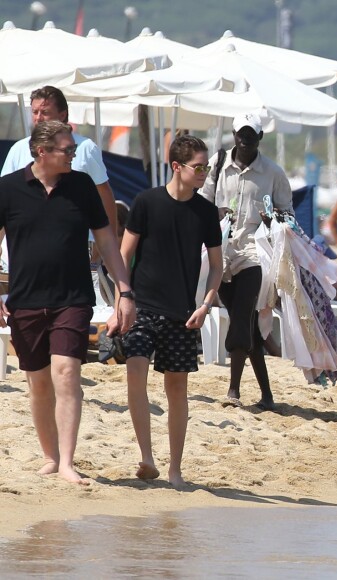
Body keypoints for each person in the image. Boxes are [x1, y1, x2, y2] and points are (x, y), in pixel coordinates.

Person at [0, 120, 135, 484]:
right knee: (38, 381)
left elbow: (107, 242)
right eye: (67, 150)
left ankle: (67, 463)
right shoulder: (8, 189)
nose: (73, 156)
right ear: (42, 151)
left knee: (67, 372)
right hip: (26, 299)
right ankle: (50, 455)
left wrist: (124, 291)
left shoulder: (81, 186)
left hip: (73, 298)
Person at [110, 136, 222, 488]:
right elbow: (122, 257)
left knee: (177, 389)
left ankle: (175, 468)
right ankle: (146, 457)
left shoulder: (205, 212)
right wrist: (121, 302)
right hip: (141, 305)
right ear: (177, 166)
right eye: (199, 167)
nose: (204, 173)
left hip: (183, 312)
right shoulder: (146, 202)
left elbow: (217, 267)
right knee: (135, 373)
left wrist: (206, 305)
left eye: (207, 167)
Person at [201, 113, 293, 410]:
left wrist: (274, 218)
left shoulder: (273, 173)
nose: (245, 139)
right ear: (234, 134)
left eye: (251, 135)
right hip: (221, 252)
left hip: (254, 253)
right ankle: (266, 395)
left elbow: (289, 215)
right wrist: (213, 213)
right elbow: (201, 202)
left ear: (260, 138)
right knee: (248, 325)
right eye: (241, 134)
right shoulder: (217, 165)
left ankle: (233, 390)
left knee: (241, 317)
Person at [1, 86, 117, 232]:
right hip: (22, 246)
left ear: (62, 115)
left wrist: (109, 241)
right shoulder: (18, 148)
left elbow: (104, 194)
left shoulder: (85, 148)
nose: (38, 118)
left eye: (45, 112)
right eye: (34, 112)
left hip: (76, 243)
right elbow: (5, 199)